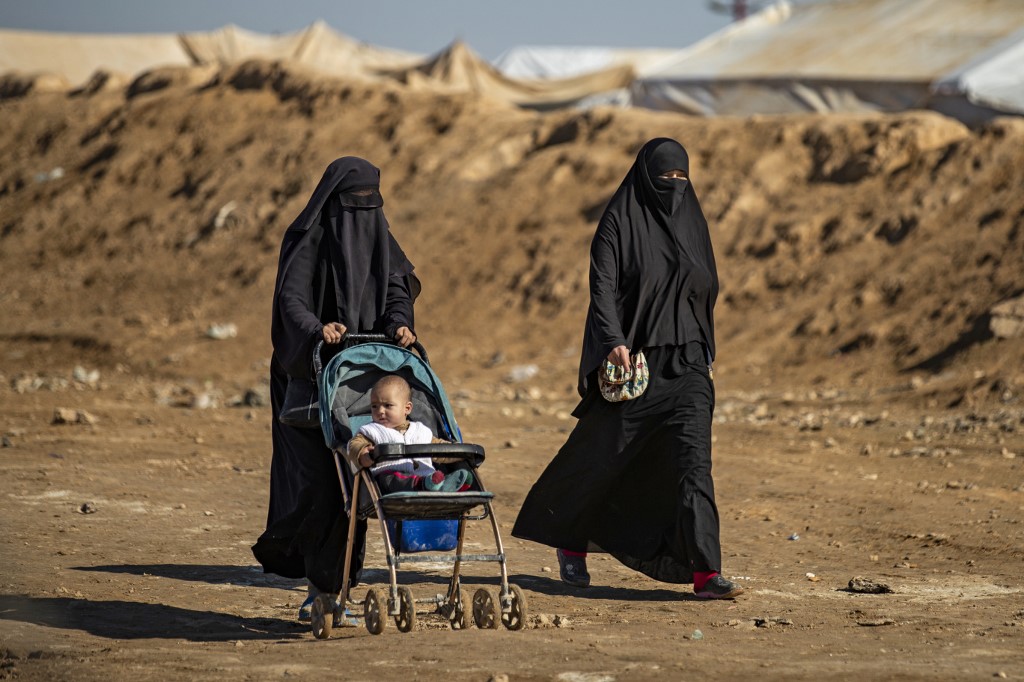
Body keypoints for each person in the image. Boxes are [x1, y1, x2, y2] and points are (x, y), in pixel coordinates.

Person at [511, 138, 743, 600]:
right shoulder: (619, 222)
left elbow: (705, 289)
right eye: (666, 178)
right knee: (600, 457)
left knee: (693, 467)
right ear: (644, 177)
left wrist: (704, 351)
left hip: (691, 367)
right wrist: (613, 340)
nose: (674, 186)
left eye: (682, 178)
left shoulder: (694, 224)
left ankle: (705, 572)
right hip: (635, 365)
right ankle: (570, 539)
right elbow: (602, 287)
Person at [251, 157, 422, 629]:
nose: (363, 213)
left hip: (361, 375)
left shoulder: (377, 234)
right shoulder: (309, 237)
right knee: (323, 489)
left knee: (360, 483)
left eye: (372, 204)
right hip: (308, 379)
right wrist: (316, 330)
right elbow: (291, 299)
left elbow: (395, 288)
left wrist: (400, 325)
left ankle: (338, 590)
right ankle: (320, 590)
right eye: (355, 203)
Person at [346, 375, 472, 493]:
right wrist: (363, 454)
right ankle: (427, 485)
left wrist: (462, 453)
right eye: (374, 406)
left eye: (387, 405)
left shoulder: (420, 431)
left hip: (426, 477)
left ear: (407, 408)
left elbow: (439, 449)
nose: (380, 411)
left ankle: (448, 486)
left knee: (437, 476)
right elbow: (354, 445)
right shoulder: (371, 431)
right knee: (389, 478)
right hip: (388, 484)